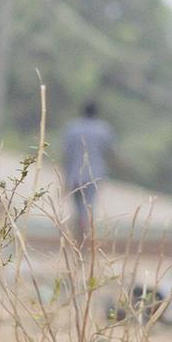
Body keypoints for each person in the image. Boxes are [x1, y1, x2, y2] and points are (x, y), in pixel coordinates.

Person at [59, 100, 114, 247]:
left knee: (78, 208)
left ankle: (77, 241)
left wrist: (64, 178)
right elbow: (109, 152)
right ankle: (85, 241)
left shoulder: (72, 128)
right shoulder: (104, 129)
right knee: (89, 207)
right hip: (94, 175)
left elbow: (66, 154)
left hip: (75, 175)